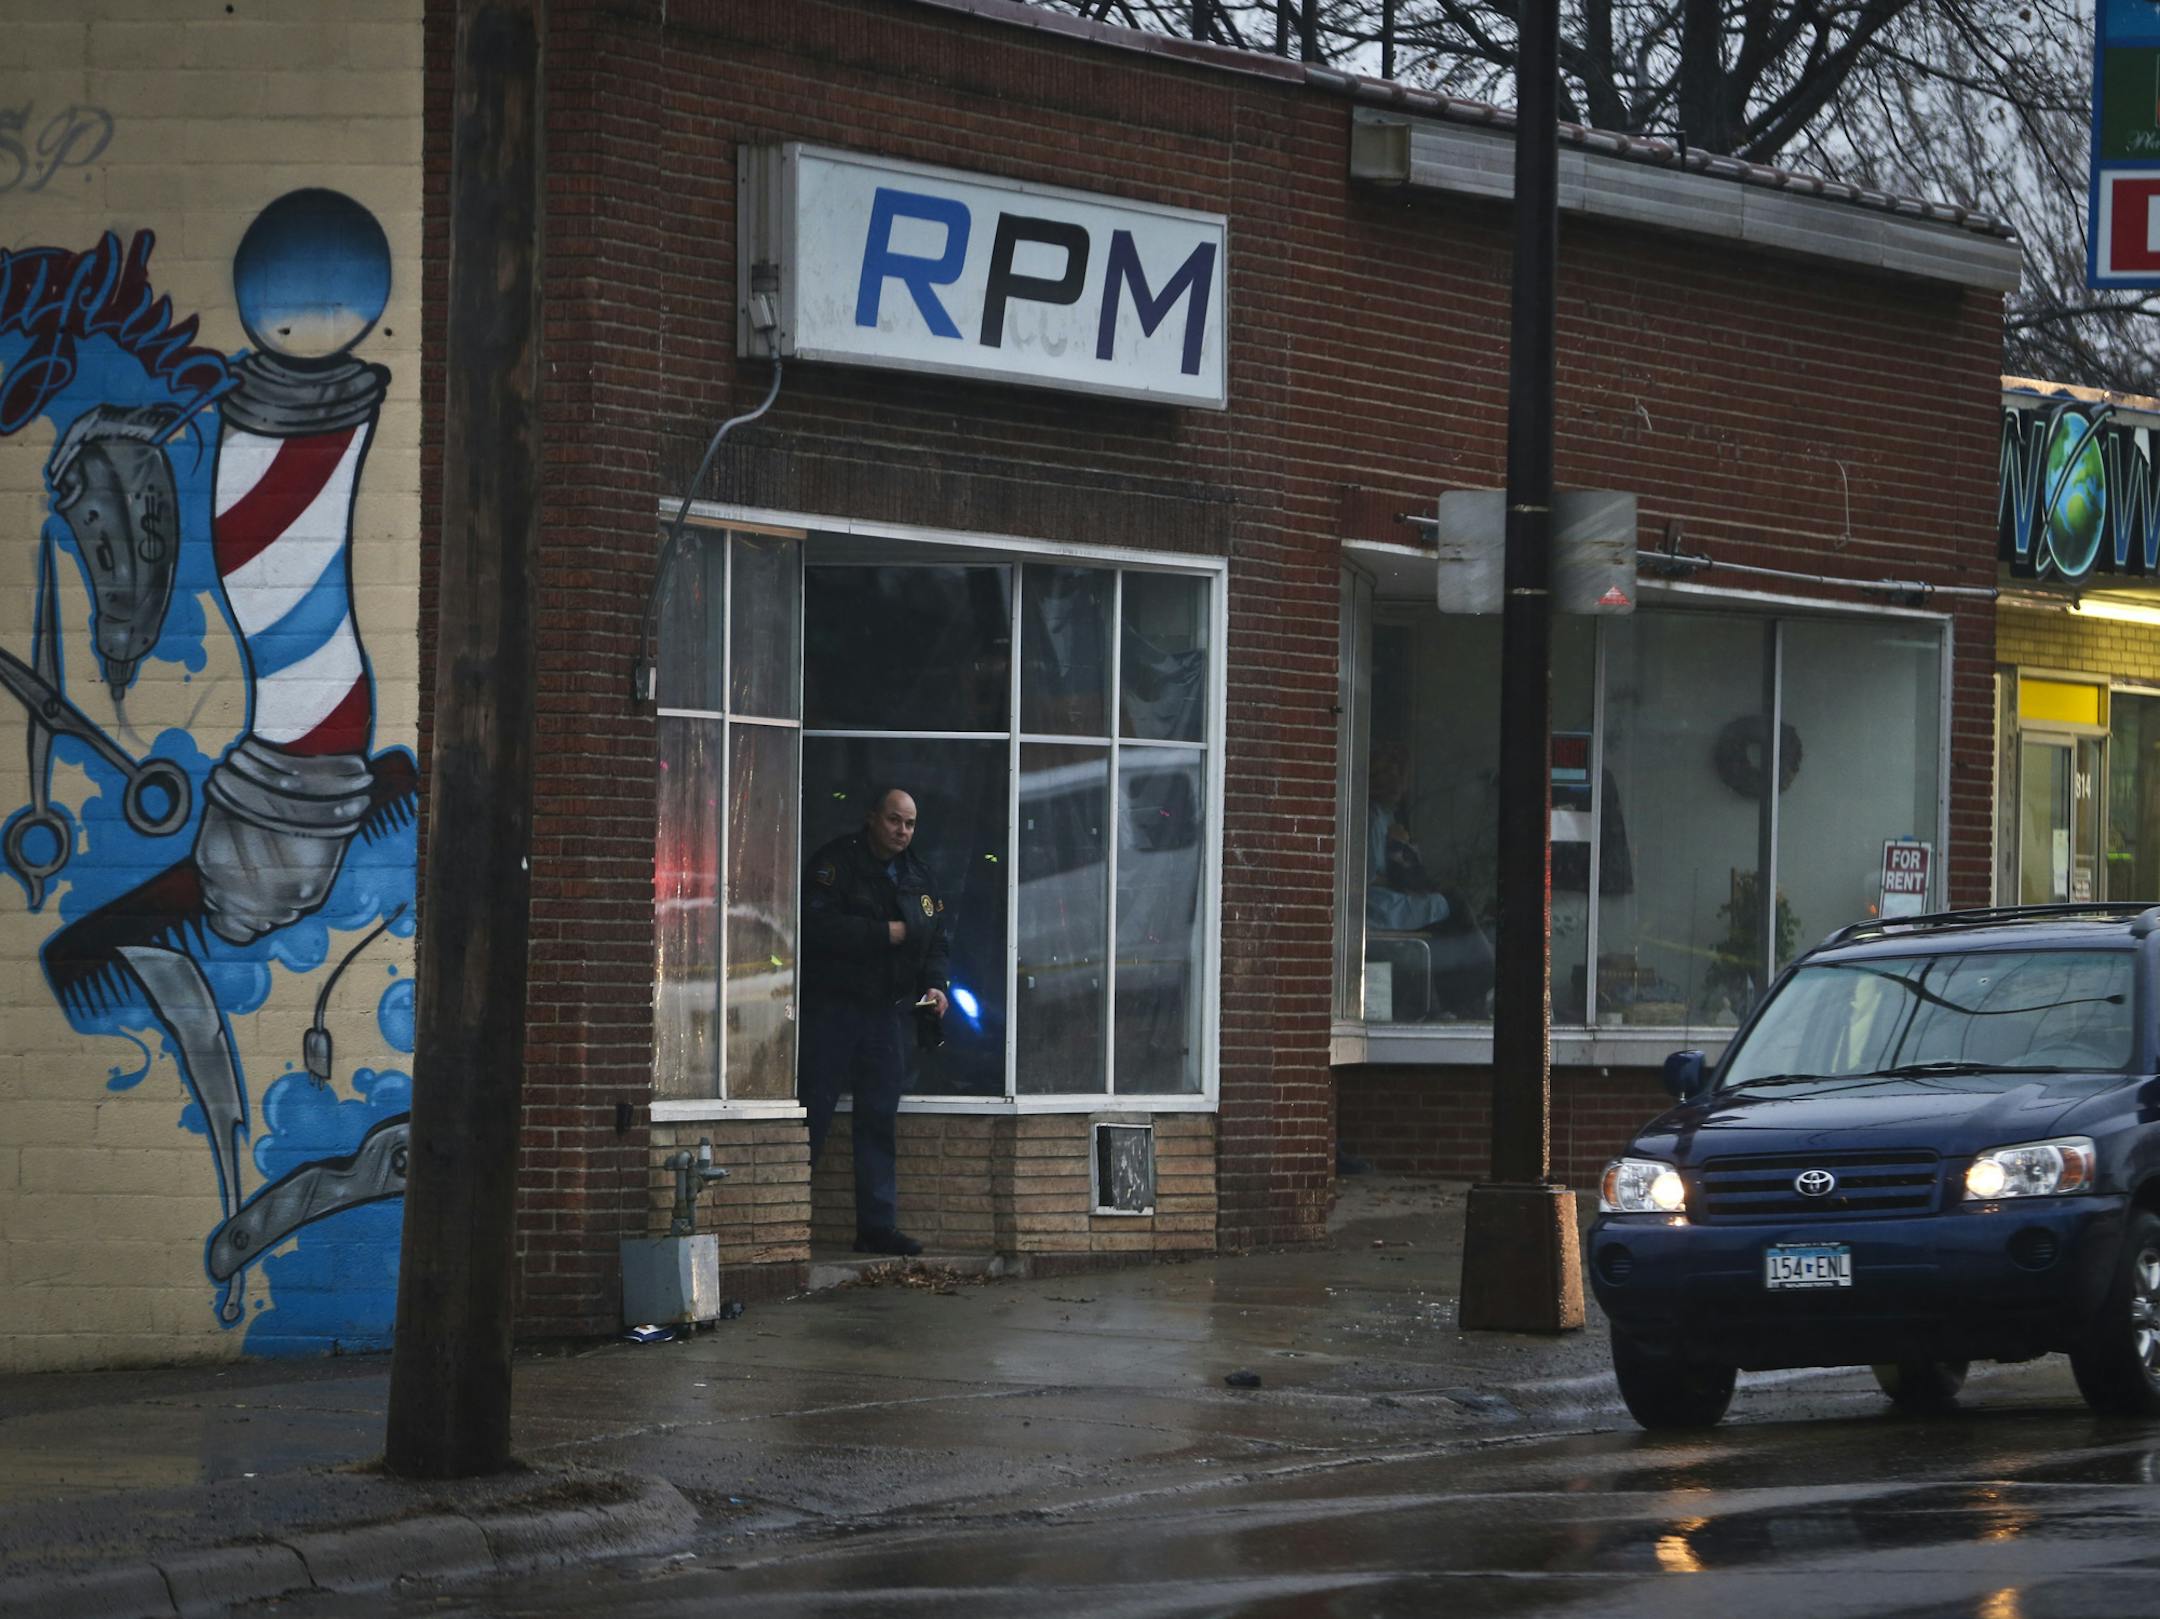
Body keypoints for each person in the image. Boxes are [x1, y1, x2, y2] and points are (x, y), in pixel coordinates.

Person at [799, 787, 950, 1256]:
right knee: (813, 1116)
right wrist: (882, 933)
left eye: (909, 823)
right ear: (872, 819)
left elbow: (934, 938)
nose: (902, 831)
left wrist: (935, 984)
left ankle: (877, 1228)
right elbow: (815, 926)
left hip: (886, 1012)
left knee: (879, 1118)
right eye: (894, 821)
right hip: (834, 1008)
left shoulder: (918, 874)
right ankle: (782, 1219)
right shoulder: (836, 865)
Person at [1365, 744, 1493, 1018]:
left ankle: (1468, 986)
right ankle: (1474, 981)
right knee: (1452, 905)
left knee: (1449, 903)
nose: (1400, 785)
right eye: (1392, 777)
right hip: (1378, 904)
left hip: (1395, 896)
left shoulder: (1388, 815)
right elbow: (1368, 875)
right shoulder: (1372, 817)